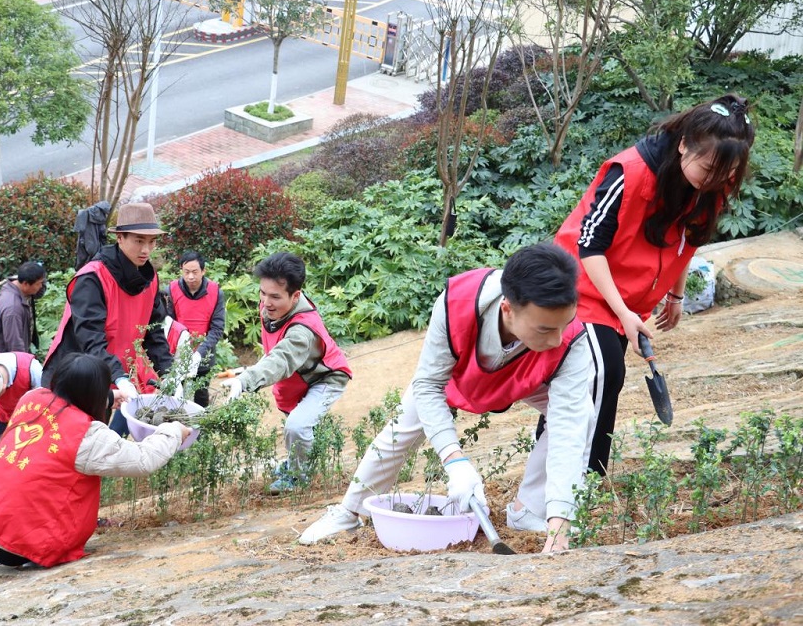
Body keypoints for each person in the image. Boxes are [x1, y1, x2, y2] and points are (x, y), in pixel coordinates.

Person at [299, 244, 596, 553]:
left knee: (583, 415)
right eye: (546, 329)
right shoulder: (458, 302)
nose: (557, 339)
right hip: (455, 375)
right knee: (401, 428)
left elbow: (569, 427)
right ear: (508, 309)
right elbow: (427, 386)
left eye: (565, 324)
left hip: (528, 379)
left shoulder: (570, 339)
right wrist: (455, 460)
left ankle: (529, 509)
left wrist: (561, 520)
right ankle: (349, 512)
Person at [554, 93, 755, 475]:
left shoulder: (711, 186)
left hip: (626, 299)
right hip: (580, 288)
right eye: (708, 168)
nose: (714, 180)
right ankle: (579, 484)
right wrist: (623, 313)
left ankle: (572, 486)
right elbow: (588, 247)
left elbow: (689, 238)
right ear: (683, 144)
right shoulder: (628, 172)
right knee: (601, 373)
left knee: (597, 380)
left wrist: (676, 295)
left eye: (724, 174)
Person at [0, 353, 191, 568]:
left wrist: (108, 397)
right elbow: (143, 459)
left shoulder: (31, 398)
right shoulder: (87, 436)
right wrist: (173, 431)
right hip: (13, 547)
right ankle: (22, 548)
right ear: (94, 394)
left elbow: (67, 402)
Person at [222, 252, 351, 494]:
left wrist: (246, 381)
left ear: (295, 296)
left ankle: (297, 478)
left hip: (326, 377)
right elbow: (275, 350)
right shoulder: (271, 310)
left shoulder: (302, 331)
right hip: (301, 375)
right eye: (262, 293)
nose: (266, 302)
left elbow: (281, 359)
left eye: (275, 296)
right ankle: (296, 462)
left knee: (297, 426)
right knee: (297, 424)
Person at [43, 202, 174, 437]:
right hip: (74, 377)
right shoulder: (92, 278)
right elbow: (90, 340)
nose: (146, 249)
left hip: (109, 376)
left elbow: (153, 333)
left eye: (152, 241)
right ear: (120, 238)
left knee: (96, 441)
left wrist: (169, 373)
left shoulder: (149, 278)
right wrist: (120, 377)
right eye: (139, 240)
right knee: (67, 443)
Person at [167, 251, 226, 407]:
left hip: (204, 354)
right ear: (181, 270)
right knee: (176, 395)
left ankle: (201, 429)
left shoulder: (215, 292)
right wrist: (180, 350)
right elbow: (169, 324)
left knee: (201, 395)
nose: (190, 277)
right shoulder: (172, 290)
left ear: (203, 271)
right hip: (178, 354)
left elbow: (217, 328)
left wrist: (199, 353)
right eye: (186, 272)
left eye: (195, 272)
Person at [0, 261, 46, 353]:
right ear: (25, 284)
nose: (40, 286)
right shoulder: (13, 309)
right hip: (8, 360)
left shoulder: (14, 287)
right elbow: (15, 346)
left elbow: (39, 293)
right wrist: (24, 364)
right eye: (38, 283)